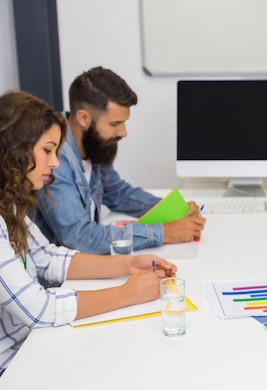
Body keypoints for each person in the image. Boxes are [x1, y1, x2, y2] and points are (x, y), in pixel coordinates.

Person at [0, 90, 177, 376]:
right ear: (14, 149)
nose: (54, 163)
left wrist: (128, 264)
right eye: (47, 150)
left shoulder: (10, 202)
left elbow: (48, 258)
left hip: (29, 346)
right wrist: (126, 293)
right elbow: (38, 309)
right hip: (11, 365)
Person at [32, 66, 206, 254]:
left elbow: (118, 193)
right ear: (83, 118)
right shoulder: (55, 157)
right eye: (115, 124)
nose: (123, 133)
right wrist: (165, 233)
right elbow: (79, 236)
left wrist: (175, 211)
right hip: (61, 273)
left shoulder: (93, 145)